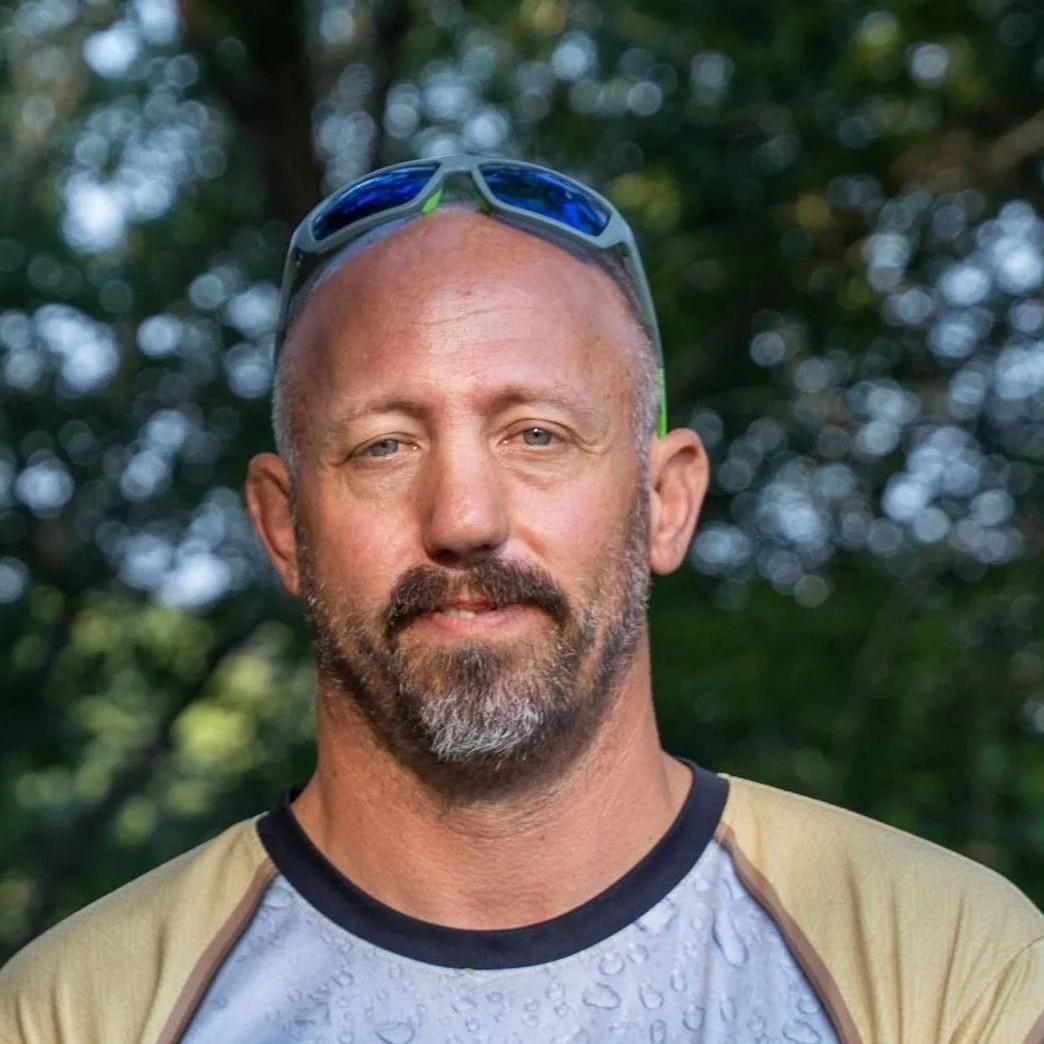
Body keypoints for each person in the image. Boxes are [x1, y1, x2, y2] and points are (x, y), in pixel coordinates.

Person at [1, 156, 1042, 1044]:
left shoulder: (950, 971)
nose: (463, 514)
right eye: (384, 446)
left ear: (665, 502)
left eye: (537, 435)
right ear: (285, 528)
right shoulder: (76, 1014)